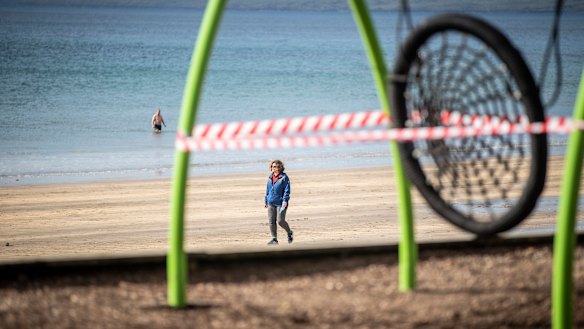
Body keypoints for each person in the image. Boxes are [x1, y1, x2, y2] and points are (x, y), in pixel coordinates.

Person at [264, 160, 293, 245]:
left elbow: (287, 191)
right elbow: (268, 190)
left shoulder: (284, 177)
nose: (275, 168)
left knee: (280, 221)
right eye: (273, 166)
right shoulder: (270, 177)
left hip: (281, 203)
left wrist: (285, 200)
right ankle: (274, 239)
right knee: (271, 221)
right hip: (271, 202)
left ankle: (289, 232)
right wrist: (266, 200)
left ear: (280, 167)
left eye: (277, 166)